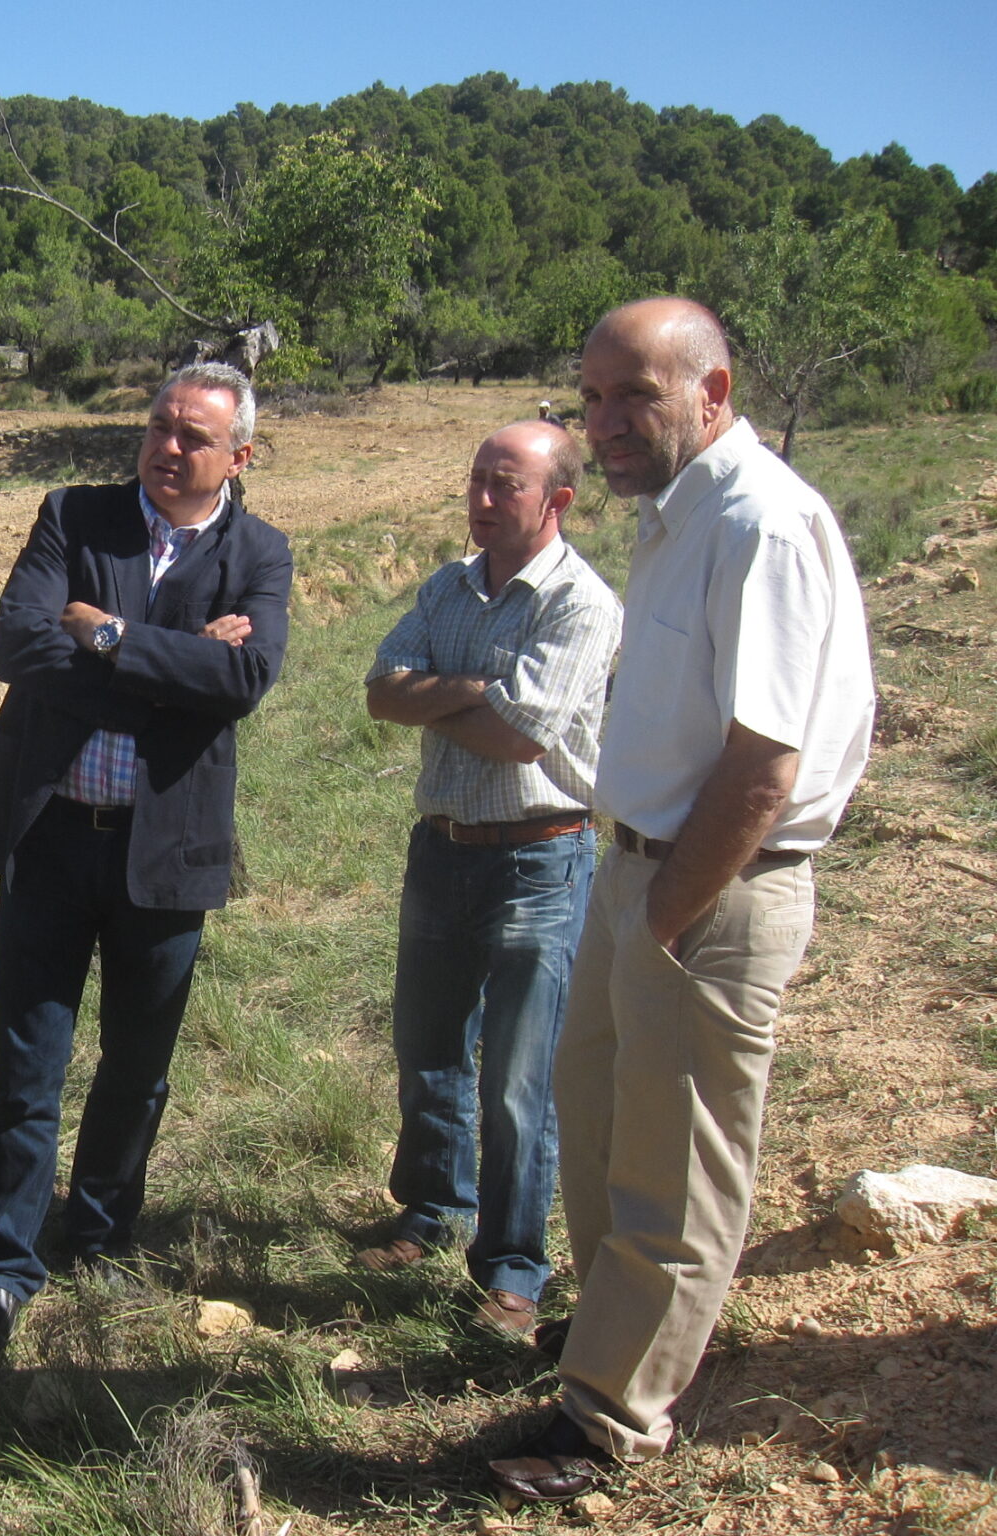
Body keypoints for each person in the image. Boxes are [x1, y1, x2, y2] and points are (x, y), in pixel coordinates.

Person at [490, 299, 874, 1502]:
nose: (603, 422)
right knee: (602, 1122)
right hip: (637, 868)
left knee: (676, 1165)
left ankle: (606, 1422)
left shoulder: (756, 523)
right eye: (589, 397)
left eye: (633, 397)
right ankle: (613, 1341)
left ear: (710, 394)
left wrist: (660, 923)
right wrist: (632, 899)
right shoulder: (680, 513)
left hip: (711, 883)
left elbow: (763, 764)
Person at [0, 362, 293, 1356]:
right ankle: (3, 1265)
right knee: (26, 1067)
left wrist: (104, 635)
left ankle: (99, 1234)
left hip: (167, 852)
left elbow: (244, 677)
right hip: (51, 838)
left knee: (137, 1068)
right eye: (158, 426)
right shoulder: (74, 515)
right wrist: (177, 664)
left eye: (193, 436)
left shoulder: (259, 552)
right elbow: (18, 646)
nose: (166, 448)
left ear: (239, 455)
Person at [360, 421, 620, 1339]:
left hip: (537, 857)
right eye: (476, 479)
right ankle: (434, 1206)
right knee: (428, 1046)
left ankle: (512, 1268)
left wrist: (439, 691)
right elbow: (381, 690)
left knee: (519, 1076)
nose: (480, 499)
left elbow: (523, 736)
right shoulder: (449, 585)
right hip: (443, 847)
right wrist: (479, 687)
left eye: (503, 485)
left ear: (557, 501)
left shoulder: (581, 604)